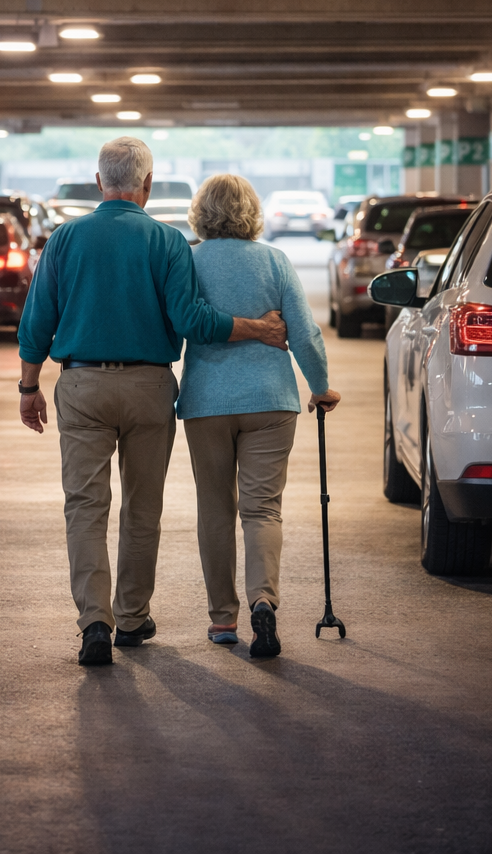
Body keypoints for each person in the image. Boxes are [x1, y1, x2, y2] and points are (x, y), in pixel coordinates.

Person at [16, 136, 289, 667]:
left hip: (82, 385)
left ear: (100, 183)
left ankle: (95, 620)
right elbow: (192, 321)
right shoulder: (166, 243)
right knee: (143, 509)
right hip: (150, 387)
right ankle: (133, 618)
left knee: (85, 508)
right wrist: (255, 327)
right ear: (146, 184)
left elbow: (36, 323)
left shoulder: (64, 239)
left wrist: (29, 386)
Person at [177, 174, 340, 659]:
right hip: (271, 400)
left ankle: (223, 618)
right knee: (262, 508)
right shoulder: (274, 260)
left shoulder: (188, 260)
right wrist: (320, 386)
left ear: (200, 212)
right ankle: (263, 600)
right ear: (252, 212)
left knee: (215, 507)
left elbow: (180, 321)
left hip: (207, 401)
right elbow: (305, 333)